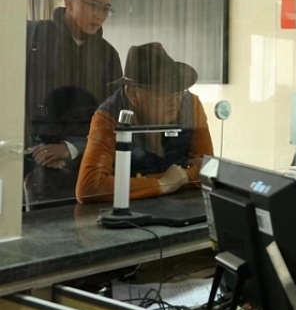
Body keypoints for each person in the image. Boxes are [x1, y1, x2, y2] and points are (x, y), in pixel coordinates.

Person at [25, 0, 123, 198]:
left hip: (85, 162)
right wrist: (37, 149)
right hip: (28, 156)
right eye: (93, 5)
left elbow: (111, 117)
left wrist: (72, 148)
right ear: (69, 2)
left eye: (106, 9)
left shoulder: (107, 54)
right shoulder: (34, 37)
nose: (100, 15)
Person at [76, 43, 213, 203]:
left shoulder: (191, 104)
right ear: (133, 95)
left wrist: (169, 179)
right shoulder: (108, 116)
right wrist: (164, 183)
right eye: (163, 92)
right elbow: (90, 187)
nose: (175, 101)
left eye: (178, 91)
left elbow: (209, 171)